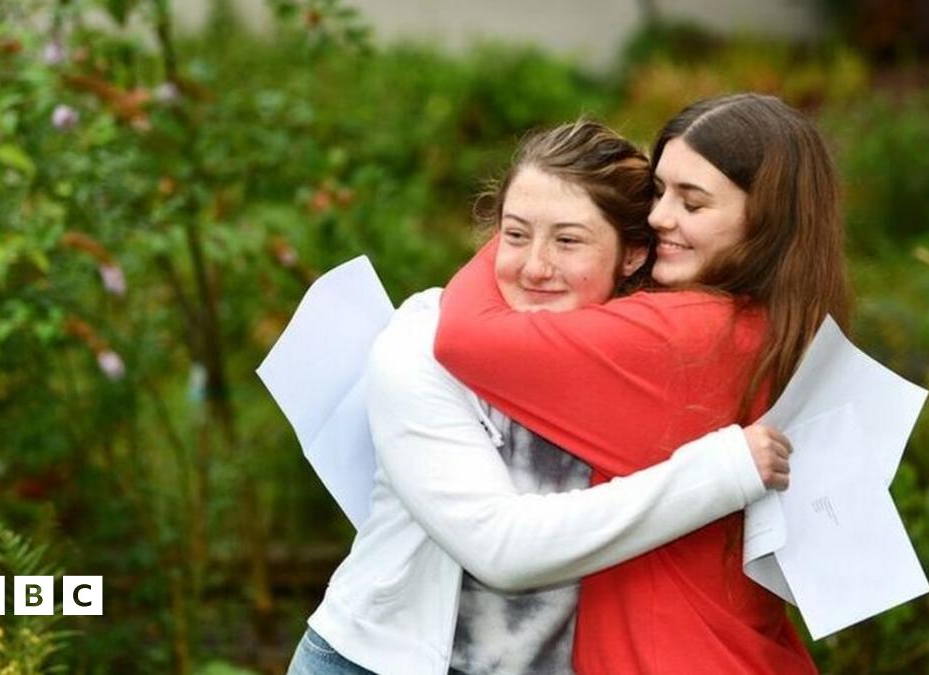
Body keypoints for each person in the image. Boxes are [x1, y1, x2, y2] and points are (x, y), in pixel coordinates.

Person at [288, 120, 794, 675]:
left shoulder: (641, 352)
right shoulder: (420, 344)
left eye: (568, 240)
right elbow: (501, 548)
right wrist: (722, 472)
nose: (535, 267)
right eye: (516, 235)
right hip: (375, 664)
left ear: (632, 255)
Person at [433, 93, 849, 673]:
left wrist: (526, 217)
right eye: (658, 191)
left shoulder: (682, 337)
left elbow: (464, 337)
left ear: (766, 219)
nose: (657, 218)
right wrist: (553, 222)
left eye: (692, 202)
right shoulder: (773, 325)